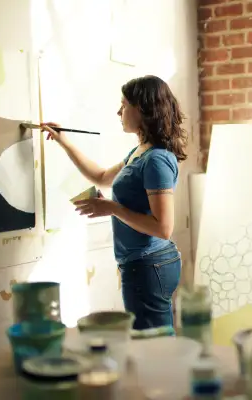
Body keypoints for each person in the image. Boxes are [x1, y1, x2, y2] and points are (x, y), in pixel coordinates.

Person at [41, 75, 187, 330]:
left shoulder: (156, 160)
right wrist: (63, 140)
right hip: (142, 263)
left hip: (149, 264)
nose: (118, 111)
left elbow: (163, 228)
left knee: (154, 345)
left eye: (124, 104)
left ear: (142, 109)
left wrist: (111, 208)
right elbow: (100, 177)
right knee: (149, 341)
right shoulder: (140, 153)